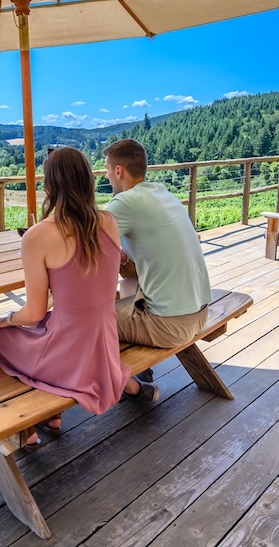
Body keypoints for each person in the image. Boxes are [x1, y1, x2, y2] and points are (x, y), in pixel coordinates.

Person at [0, 147, 130, 449]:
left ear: (49, 185)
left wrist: (4, 320)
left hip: (68, 357)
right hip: (104, 351)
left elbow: (34, 312)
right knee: (41, 326)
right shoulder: (109, 222)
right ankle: (51, 418)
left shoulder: (37, 236)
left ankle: (23, 429)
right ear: (88, 181)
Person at [103, 139, 212, 402]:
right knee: (129, 284)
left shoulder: (123, 203)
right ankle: (144, 371)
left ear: (119, 171)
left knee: (87, 323)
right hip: (200, 312)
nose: (106, 176)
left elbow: (89, 255)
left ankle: (133, 387)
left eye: (107, 169)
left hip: (170, 324)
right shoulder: (162, 193)